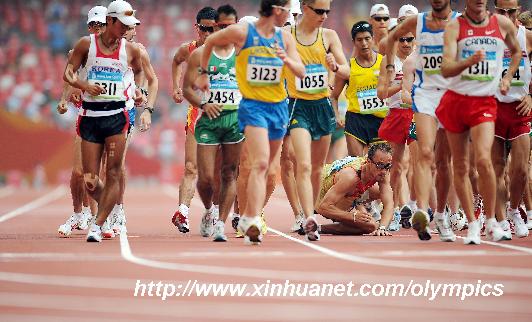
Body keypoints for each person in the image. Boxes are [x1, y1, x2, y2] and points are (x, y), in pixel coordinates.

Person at [195, 0, 305, 244]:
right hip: (253, 106)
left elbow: (301, 71)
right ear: (277, 10)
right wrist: (203, 74)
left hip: (279, 108)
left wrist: (286, 59)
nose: (290, 18)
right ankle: (252, 219)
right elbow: (211, 41)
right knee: (261, 163)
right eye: (287, 12)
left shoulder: (285, 38)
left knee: (271, 171)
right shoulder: (244, 31)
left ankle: (248, 217)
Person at [438, 0, 521, 244]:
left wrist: (506, 77)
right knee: (462, 166)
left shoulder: (502, 23)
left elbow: (516, 52)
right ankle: (473, 225)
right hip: (456, 102)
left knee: (484, 160)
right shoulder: (455, 27)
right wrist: (467, 62)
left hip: (484, 102)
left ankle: (492, 222)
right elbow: (446, 68)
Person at [63, 0, 145, 242]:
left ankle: (99, 223)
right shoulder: (85, 45)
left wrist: (137, 90)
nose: (126, 29)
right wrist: (84, 85)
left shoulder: (130, 50)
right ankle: (107, 211)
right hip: (90, 116)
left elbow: (138, 70)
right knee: (89, 178)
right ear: (110, 20)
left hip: (117, 116)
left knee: (114, 172)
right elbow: (68, 73)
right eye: (123, 24)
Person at [386, 0, 459, 242]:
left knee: (444, 162)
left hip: (449, 99)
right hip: (425, 101)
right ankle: (422, 211)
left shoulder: (459, 22)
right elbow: (389, 40)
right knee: (424, 155)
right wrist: (389, 67)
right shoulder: (417, 30)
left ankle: (442, 213)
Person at [284, 0, 349, 241]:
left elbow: (347, 70)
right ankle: (307, 218)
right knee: (303, 163)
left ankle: (310, 210)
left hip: (322, 106)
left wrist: (336, 66)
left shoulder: (329, 36)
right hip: (297, 106)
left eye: (327, 11)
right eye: (319, 11)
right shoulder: (286, 34)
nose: (324, 16)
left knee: (318, 168)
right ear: (304, 7)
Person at [183, 4, 241, 241]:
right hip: (208, 119)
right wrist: (204, 105)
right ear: (215, 26)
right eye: (222, 26)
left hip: (235, 119)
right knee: (206, 178)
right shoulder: (201, 54)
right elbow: (187, 88)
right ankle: (209, 209)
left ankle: (220, 223)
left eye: (231, 26)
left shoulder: (244, 54)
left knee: (229, 173)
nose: (226, 30)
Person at [106, 22, 159, 236]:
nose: (134, 32)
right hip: (100, 110)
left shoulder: (138, 50)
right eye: (130, 28)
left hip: (125, 110)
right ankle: (100, 212)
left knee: (116, 164)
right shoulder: (102, 48)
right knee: (100, 166)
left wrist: (143, 96)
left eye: (135, 28)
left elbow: (147, 77)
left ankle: (117, 209)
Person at [57, 5, 106, 237]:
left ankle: (100, 216)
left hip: (110, 116)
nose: (98, 28)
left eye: (102, 24)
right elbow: (70, 75)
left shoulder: (118, 50)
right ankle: (79, 213)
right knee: (78, 172)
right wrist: (64, 99)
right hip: (85, 114)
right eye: (94, 24)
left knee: (98, 172)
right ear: (89, 26)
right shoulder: (79, 49)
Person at [171, 7, 218, 234]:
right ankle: (183, 212)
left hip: (222, 115)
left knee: (214, 173)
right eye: (204, 29)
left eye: (212, 29)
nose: (207, 34)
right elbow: (176, 61)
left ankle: (211, 211)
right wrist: (176, 87)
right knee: (191, 167)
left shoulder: (225, 51)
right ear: (196, 27)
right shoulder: (188, 49)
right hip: (197, 114)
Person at [492, 0, 531, 238]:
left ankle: (515, 209)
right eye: (501, 11)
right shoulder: (487, 36)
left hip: (519, 108)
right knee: (495, 168)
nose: (506, 15)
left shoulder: (527, 36)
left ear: (518, 11)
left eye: (511, 11)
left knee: (520, 170)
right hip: (493, 108)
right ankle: (501, 217)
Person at [377, 6, 417, 231]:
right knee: (395, 166)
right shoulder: (388, 60)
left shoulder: (420, 56)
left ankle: (414, 207)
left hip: (415, 114)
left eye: (409, 39)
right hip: (395, 115)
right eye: (401, 39)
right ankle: (391, 210)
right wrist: (400, 85)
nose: (406, 43)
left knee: (418, 163)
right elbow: (380, 94)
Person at [315, 142, 394, 236]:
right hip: (318, 195)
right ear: (368, 161)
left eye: (387, 166)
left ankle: (318, 228)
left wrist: (382, 227)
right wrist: (353, 216)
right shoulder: (350, 177)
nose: (384, 171)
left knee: (380, 193)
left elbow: (389, 203)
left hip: (348, 190)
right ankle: (355, 205)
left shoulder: (383, 171)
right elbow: (322, 207)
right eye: (380, 165)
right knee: (371, 225)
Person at [335, 21, 388, 157]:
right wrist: (336, 115)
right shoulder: (349, 67)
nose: (364, 43)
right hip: (356, 121)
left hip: (380, 120)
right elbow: (334, 95)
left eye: (367, 38)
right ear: (354, 42)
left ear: (373, 39)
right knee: (357, 166)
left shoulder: (385, 62)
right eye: (359, 40)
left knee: (381, 167)